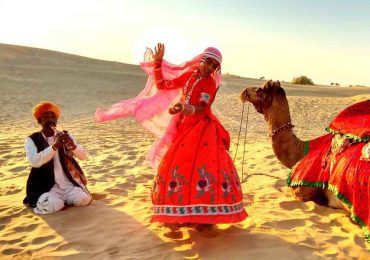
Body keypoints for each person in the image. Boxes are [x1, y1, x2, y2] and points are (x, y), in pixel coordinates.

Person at [95, 44, 247, 229]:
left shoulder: (209, 83)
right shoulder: (190, 75)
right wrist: (158, 62)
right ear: (201, 59)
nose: (209, 67)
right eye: (208, 62)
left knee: (203, 168)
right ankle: (181, 212)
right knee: (180, 168)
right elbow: (163, 85)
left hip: (201, 129)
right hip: (184, 126)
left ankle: (205, 216)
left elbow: (202, 107)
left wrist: (185, 108)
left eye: (214, 66)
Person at [24, 101, 92, 214]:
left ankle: (64, 200)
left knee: (83, 200)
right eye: (46, 116)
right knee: (52, 206)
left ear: (56, 120)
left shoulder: (65, 135)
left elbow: (84, 156)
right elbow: (34, 162)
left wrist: (73, 146)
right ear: (39, 120)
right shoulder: (32, 139)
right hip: (47, 186)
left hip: (68, 184)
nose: (50, 119)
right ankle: (54, 201)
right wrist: (55, 146)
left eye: (53, 116)